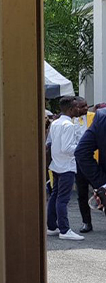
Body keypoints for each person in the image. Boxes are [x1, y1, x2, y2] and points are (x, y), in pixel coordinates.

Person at [46, 96, 86, 241]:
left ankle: (51, 226)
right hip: (66, 166)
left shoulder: (55, 123)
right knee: (62, 199)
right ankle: (64, 229)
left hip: (56, 164)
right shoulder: (68, 125)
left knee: (55, 196)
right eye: (76, 107)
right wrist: (82, 147)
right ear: (70, 109)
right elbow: (67, 148)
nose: (78, 109)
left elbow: (50, 143)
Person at [75, 104, 106, 216]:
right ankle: (86, 222)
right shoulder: (102, 116)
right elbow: (81, 152)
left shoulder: (101, 116)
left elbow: (81, 152)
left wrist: (102, 183)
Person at [73, 97, 94, 233]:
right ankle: (86, 222)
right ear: (75, 108)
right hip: (79, 163)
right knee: (82, 194)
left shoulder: (95, 117)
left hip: (95, 161)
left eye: (86, 105)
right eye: (82, 106)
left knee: (102, 190)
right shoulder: (70, 121)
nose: (86, 108)